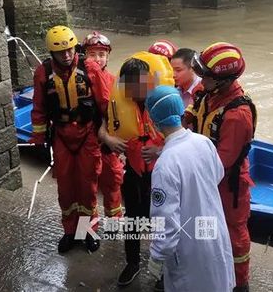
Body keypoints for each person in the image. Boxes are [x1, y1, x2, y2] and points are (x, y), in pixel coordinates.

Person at [146, 86, 235, 292]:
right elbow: (217, 175)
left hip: (189, 249)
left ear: (153, 121)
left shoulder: (166, 163)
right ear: (180, 111)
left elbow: (166, 222)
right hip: (213, 234)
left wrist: (157, 256)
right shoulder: (203, 142)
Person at [29, 25, 110, 253]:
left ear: (75, 48)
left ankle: (89, 231)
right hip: (62, 136)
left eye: (69, 50)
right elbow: (39, 108)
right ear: (51, 53)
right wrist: (38, 138)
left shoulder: (91, 68)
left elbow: (104, 103)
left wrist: (108, 134)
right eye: (60, 52)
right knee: (65, 187)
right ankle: (70, 231)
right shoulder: (43, 73)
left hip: (88, 135)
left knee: (87, 186)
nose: (66, 55)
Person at [184, 42, 257, 292]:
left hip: (228, 185)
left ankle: (239, 283)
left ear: (223, 81)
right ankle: (209, 271)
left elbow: (222, 162)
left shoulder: (238, 115)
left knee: (233, 232)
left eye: (204, 75)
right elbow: (191, 117)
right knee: (206, 226)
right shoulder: (207, 94)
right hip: (206, 176)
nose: (200, 79)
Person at [98, 53, 172, 287]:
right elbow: (101, 124)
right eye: (129, 84)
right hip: (134, 172)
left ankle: (163, 270)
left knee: (164, 222)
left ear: (149, 81)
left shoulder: (166, 101)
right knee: (132, 220)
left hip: (162, 175)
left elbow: (184, 137)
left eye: (139, 84)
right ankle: (132, 263)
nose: (134, 90)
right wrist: (109, 139)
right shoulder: (118, 99)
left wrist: (160, 150)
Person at [81, 31, 124, 219]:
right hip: (84, 143)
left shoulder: (115, 82)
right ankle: (87, 229)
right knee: (85, 188)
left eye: (102, 54)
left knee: (113, 183)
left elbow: (121, 116)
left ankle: (114, 223)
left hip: (107, 145)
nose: (97, 59)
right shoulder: (77, 81)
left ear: (107, 57)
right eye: (92, 54)